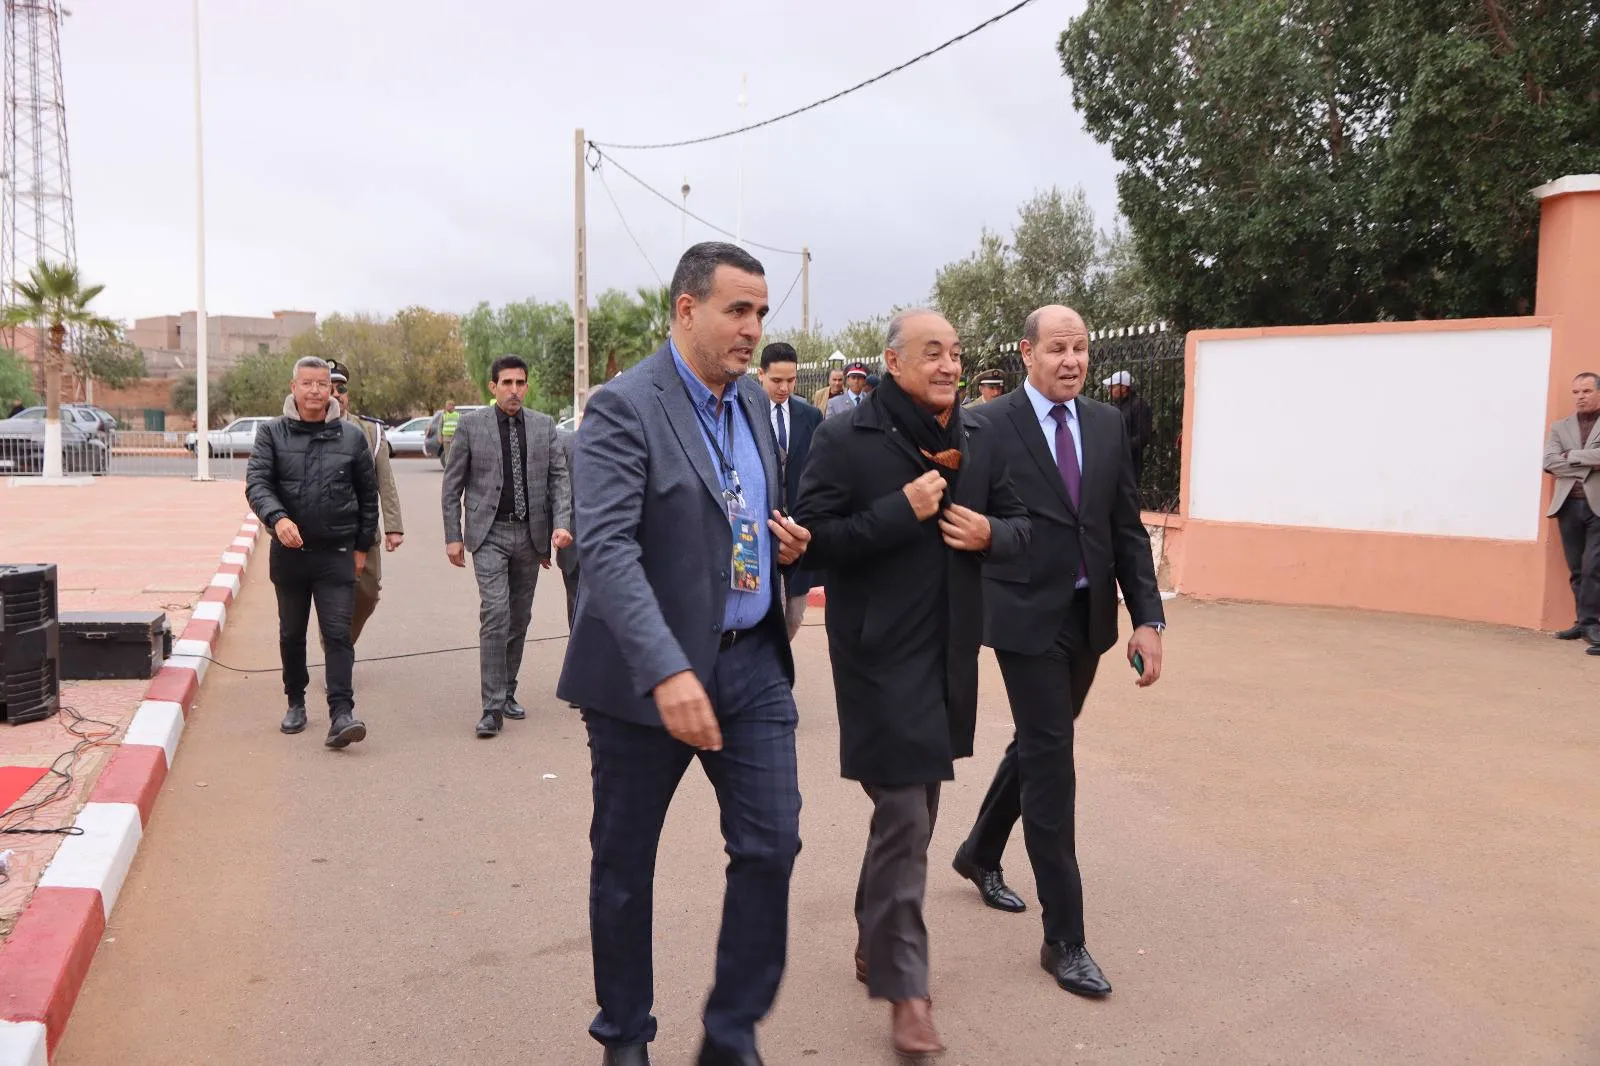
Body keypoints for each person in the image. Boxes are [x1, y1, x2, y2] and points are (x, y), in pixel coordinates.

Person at [556, 241, 812, 1066]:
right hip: (646, 678)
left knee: (772, 845)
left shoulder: (753, 406)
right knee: (624, 865)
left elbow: (733, 512)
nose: (754, 329)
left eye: (761, 312)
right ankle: (625, 1034)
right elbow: (606, 548)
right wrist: (667, 668)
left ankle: (730, 1036)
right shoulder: (623, 407)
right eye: (738, 310)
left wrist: (781, 545)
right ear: (687, 309)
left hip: (751, 662)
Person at [794, 308, 1029, 1057]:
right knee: (904, 811)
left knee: (914, 814)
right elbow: (812, 542)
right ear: (893, 363)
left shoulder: (980, 435)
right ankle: (906, 989)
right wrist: (900, 511)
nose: (949, 365)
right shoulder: (845, 437)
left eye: (955, 353)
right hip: (876, 656)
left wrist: (993, 534)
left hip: (948, 653)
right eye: (933, 353)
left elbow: (1024, 521)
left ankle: (876, 935)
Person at [953, 305, 1165, 999]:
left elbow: (1125, 528)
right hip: (1022, 617)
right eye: (1057, 348)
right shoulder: (986, 424)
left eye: (1080, 348)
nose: (1072, 360)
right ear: (1027, 353)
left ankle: (979, 850)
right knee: (1052, 762)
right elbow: (966, 524)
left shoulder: (1105, 424)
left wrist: (1147, 619)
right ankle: (1064, 939)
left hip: (1088, 617)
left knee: (1042, 740)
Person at [245, 356, 379, 748]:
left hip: (336, 553)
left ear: (331, 390)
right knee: (291, 633)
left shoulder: (351, 437)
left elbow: (368, 496)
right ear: (294, 388)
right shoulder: (272, 434)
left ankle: (342, 713)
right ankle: (296, 701)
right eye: (308, 383)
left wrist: (361, 548)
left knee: (338, 634)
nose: (316, 391)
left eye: (322, 384)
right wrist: (278, 518)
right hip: (290, 557)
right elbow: (257, 483)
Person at [441, 355, 572, 738]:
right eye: (507, 383)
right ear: (493, 386)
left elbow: (559, 478)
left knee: (519, 618)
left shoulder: (543, 426)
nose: (514, 390)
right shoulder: (471, 425)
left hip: (530, 536)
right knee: (496, 613)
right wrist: (453, 535)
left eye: (520, 383)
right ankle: (491, 707)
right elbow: (452, 484)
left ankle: (508, 690)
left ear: (526, 386)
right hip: (489, 534)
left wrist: (561, 524)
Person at [326, 361, 404, 644]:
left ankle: (341, 641)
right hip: (326, 531)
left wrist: (393, 526)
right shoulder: (309, 429)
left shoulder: (371, 431)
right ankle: (336, 648)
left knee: (367, 593)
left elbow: (385, 480)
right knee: (331, 594)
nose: (336, 394)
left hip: (364, 530)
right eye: (330, 388)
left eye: (341, 389)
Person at [757, 342, 822, 639]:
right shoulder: (746, 413)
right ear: (761, 375)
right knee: (762, 614)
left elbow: (820, 469)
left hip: (800, 528)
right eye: (776, 380)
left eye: (790, 380)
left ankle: (779, 658)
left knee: (794, 615)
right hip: (761, 528)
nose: (784, 388)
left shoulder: (810, 416)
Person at [1543, 371, 1600, 645]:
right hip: (1568, 505)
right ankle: (1582, 622)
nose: (1580, 397)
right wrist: (1589, 463)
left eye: (1586, 391)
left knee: (1593, 568)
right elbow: (1549, 462)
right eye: (1576, 392)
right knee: (1577, 568)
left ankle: (1591, 624)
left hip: (1597, 506)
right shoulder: (1559, 427)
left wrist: (1571, 456)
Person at [1102, 370, 1153, 488]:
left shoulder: (1139, 405)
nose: (1109, 390)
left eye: (1112, 387)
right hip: (1112, 461)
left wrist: (1122, 447)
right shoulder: (1113, 406)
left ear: (1124, 388)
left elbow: (1143, 436)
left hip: (1131, 462)